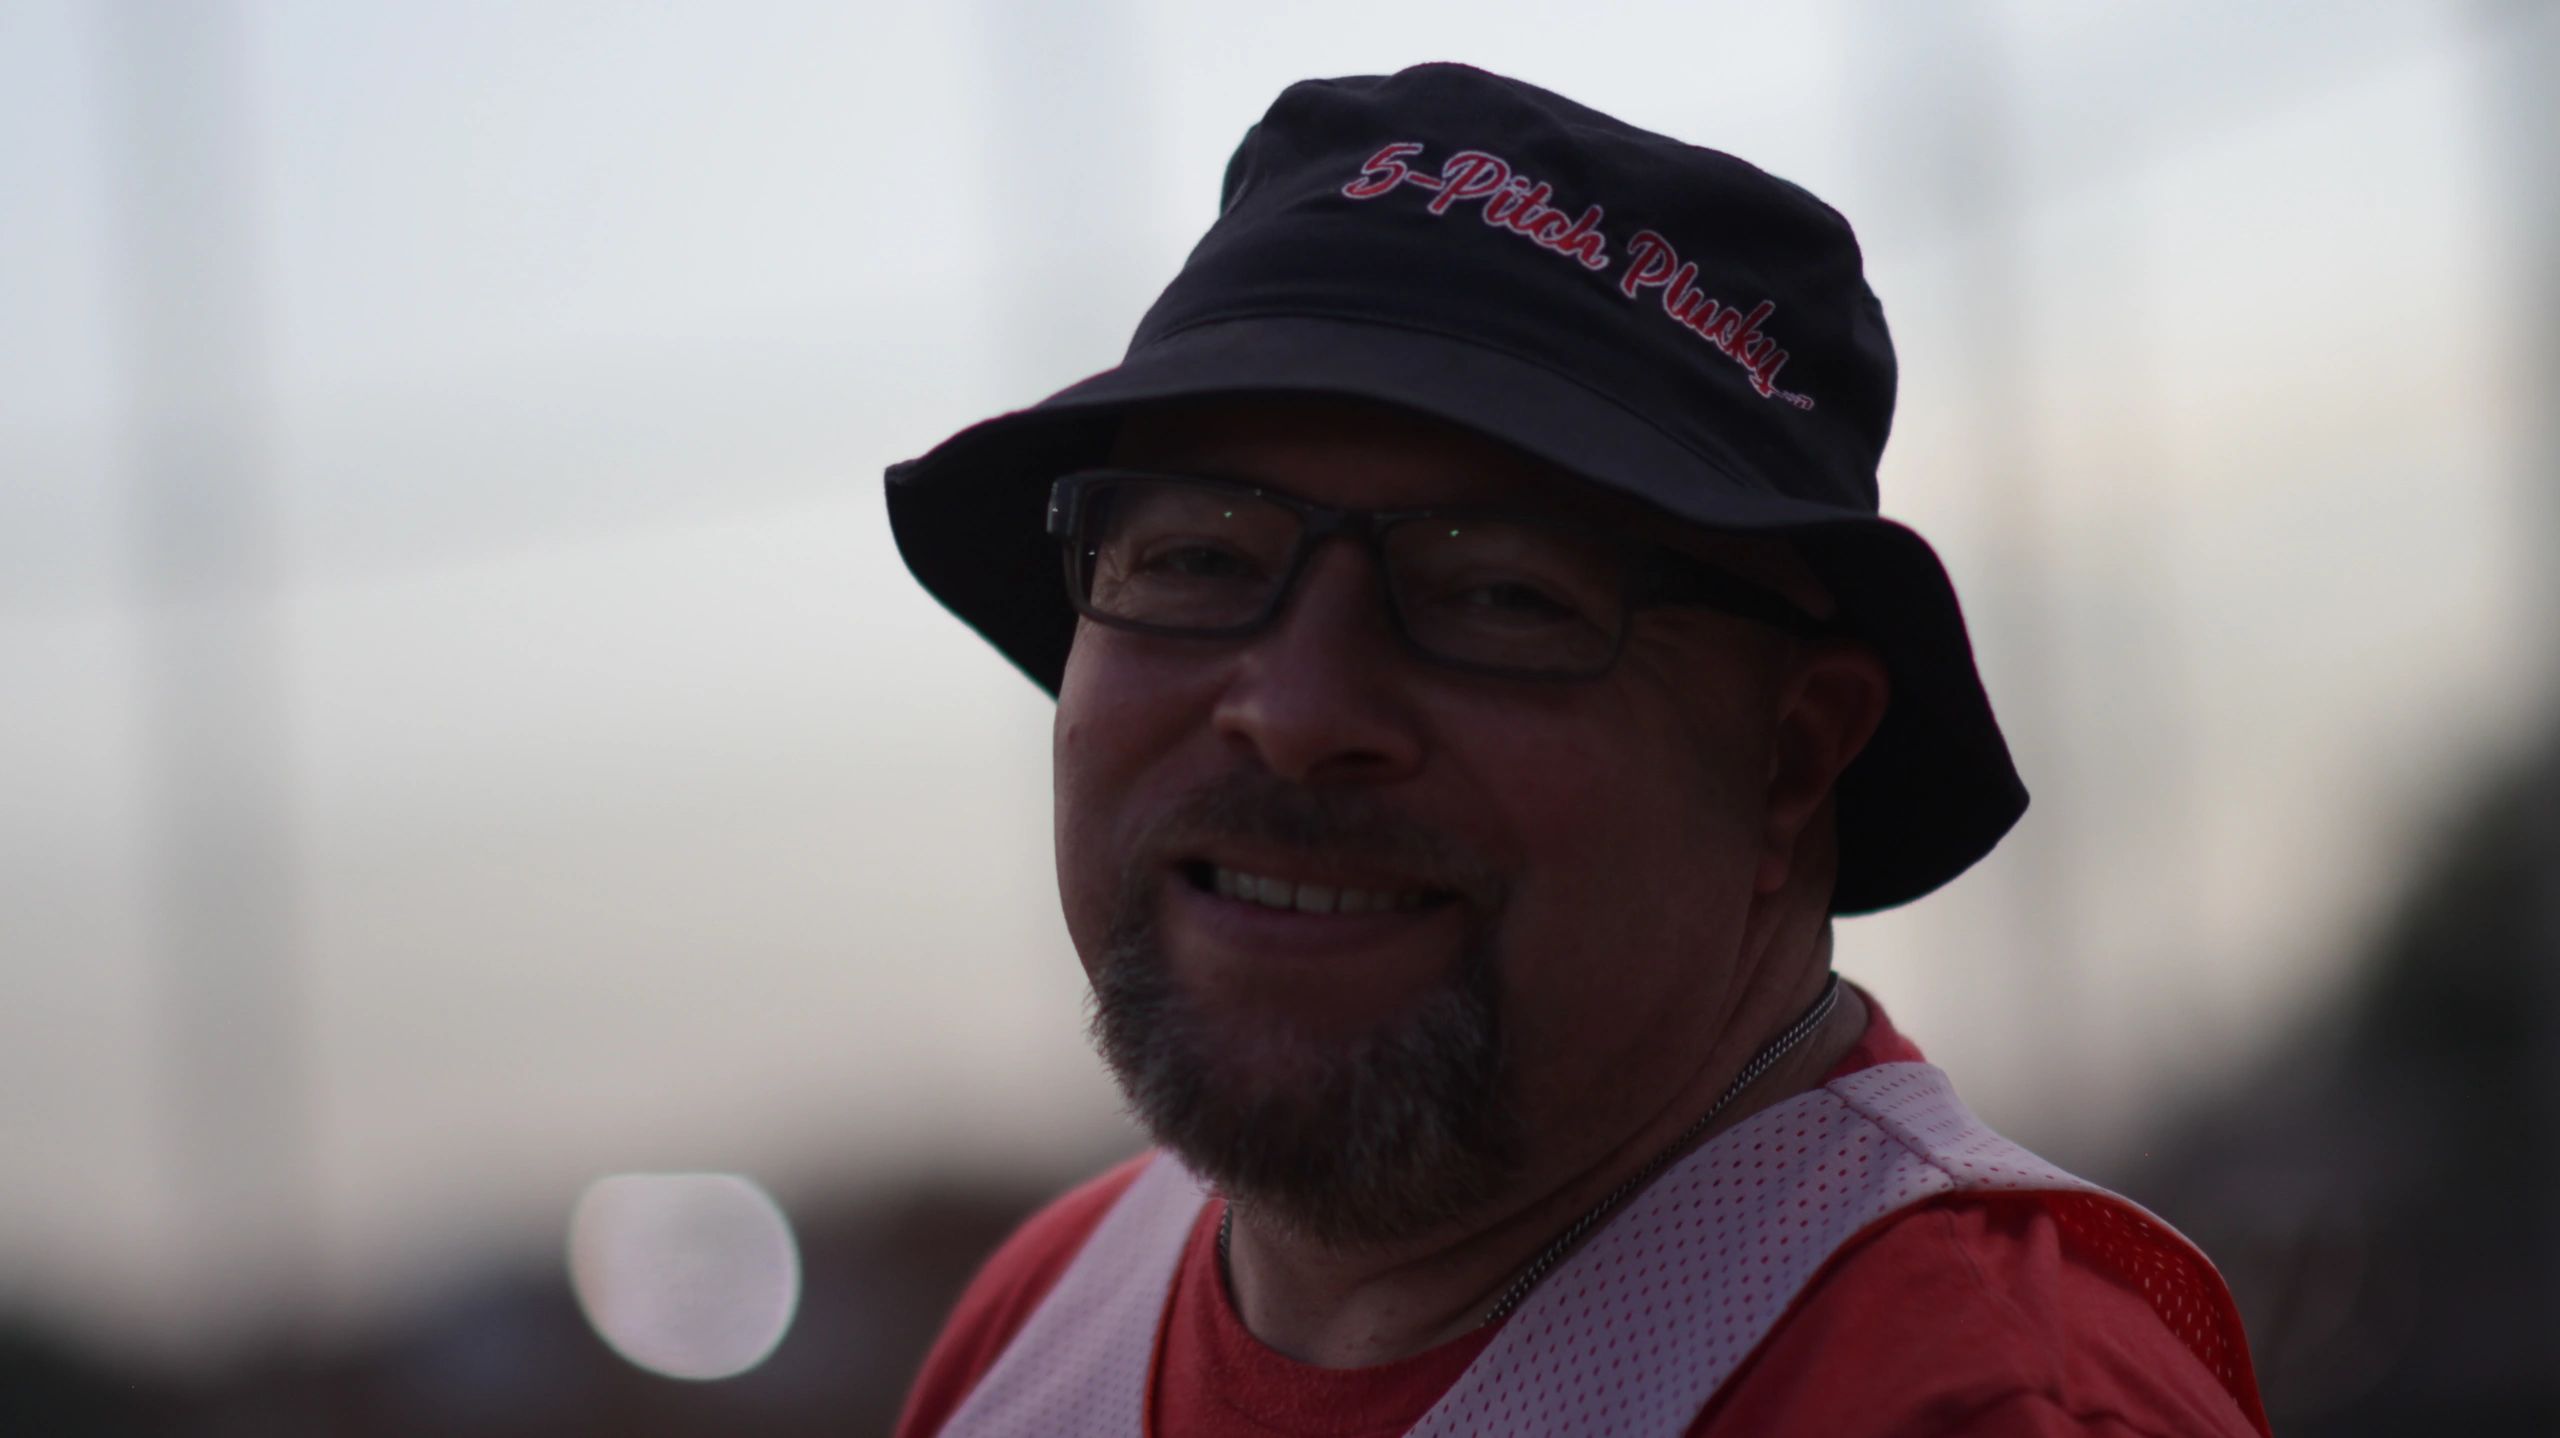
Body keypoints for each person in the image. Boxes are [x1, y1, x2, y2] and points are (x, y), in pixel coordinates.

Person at [881, 63, 2270, 1438]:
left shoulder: (1965, 1401)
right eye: (1194, 557)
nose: (1296, 712)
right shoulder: (1046, 1322)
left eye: (1500, 595)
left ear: (1788, 762)